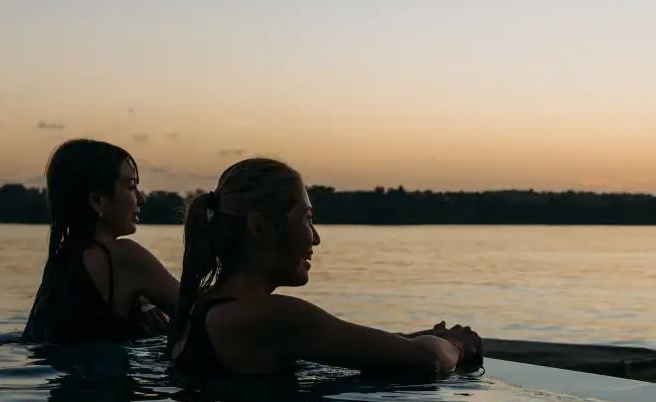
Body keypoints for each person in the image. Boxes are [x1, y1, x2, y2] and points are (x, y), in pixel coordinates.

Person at [169, 157, 484, 376]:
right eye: (307, 219)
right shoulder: (274, 315)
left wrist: (426, 334)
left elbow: (346, 340)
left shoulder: (199, 305)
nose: (316, 238)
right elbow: (426, 360)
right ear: (262, 228)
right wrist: (455, 345)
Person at [23, 139, 180, 343]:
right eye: (131, 187)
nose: (141, 199)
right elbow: (207, 314)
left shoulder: (61, 260)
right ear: (97, 201)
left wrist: (142, 301)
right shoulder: (122, 256)